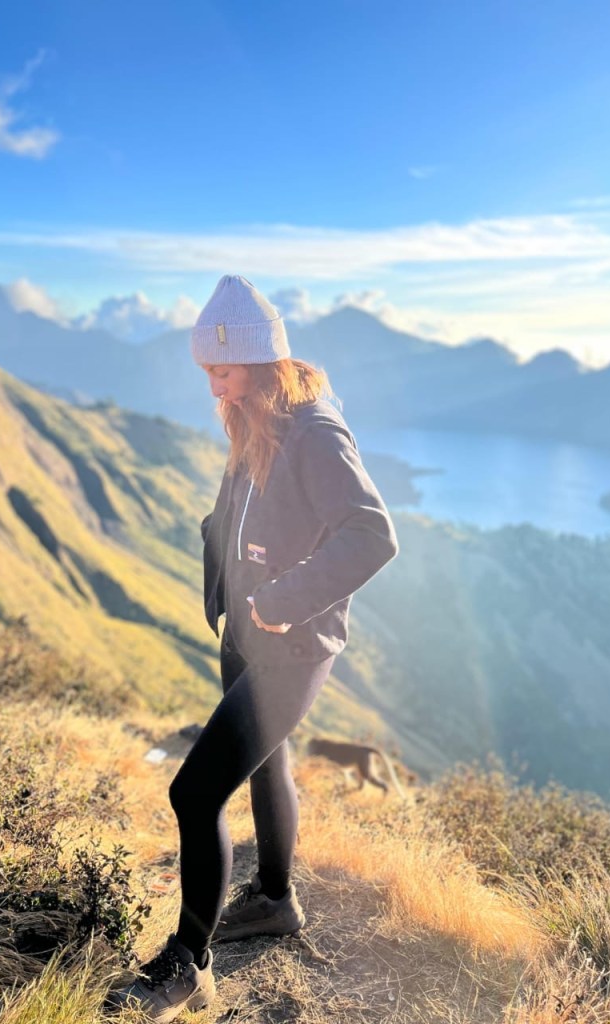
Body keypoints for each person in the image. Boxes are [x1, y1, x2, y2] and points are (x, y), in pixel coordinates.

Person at [104, 276, 399, 1021]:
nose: (212, 384)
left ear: (265, 360)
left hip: (290, 645)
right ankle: (274, 900)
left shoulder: (313, 430)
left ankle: (189, 965)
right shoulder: (255, 412)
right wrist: (225, 581)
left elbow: (372, 536)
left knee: (193, 791)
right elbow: (242, 513)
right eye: (205, 370)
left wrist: (276, 601)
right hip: (247, 633)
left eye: (222, 370)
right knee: (270, 770)